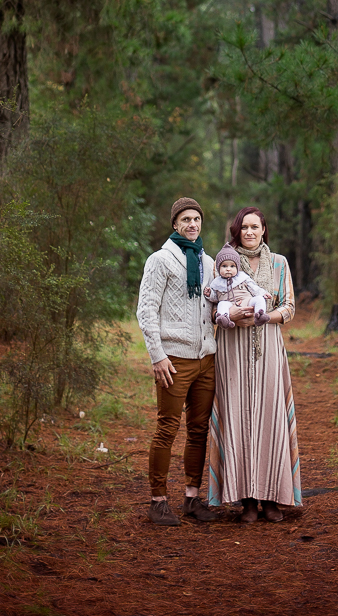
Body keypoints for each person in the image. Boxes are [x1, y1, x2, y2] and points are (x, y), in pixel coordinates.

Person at [208, 206, 302, 523]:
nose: (249, 232)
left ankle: (272, 497)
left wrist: (266, 318)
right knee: (239, 418)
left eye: (255, 227)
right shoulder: (225, 261)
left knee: (269, 418)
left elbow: (289, 306)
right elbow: (209, 308)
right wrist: (231, 315)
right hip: (232, 349)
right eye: (243, 227)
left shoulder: (279, 263)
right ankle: (246, 499)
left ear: (263, 230)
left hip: (269, 349)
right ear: (237, 231)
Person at [137, 197, 218, 526]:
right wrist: (157, 355)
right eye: (185, 219)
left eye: (196, 219)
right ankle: (158, 501)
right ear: (175, 224)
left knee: (199, 430)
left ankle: (191, 498)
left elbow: (214, 306)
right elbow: (146, 310)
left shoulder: (208, 262)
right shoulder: (161, 260)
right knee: (167, 428)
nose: (192, 224)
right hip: (173, 359)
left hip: (205, 359)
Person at [204, 245, 271, 328]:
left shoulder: (242, 277)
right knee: (221, 304)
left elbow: (253, 287)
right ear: (218, 268)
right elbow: (216, 298)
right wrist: (210, 294)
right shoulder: (216, 282)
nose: (228, 269)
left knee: (259, 299)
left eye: (232, 266)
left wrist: (263, 293)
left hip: (247, 301)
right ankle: (224, 319)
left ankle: (260, 315)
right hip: (230, 305)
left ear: (237, 267)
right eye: (224, 266)